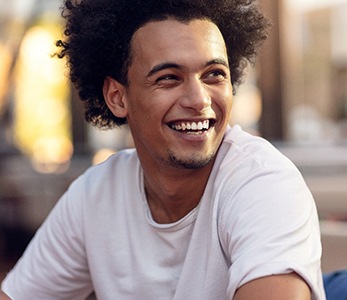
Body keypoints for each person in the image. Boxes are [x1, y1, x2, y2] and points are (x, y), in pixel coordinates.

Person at [0, 0, 326, 299]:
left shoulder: (263, 183)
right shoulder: (94, 197)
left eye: (214, 75)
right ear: (117, 97)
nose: (199, 100)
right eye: (169, 78)